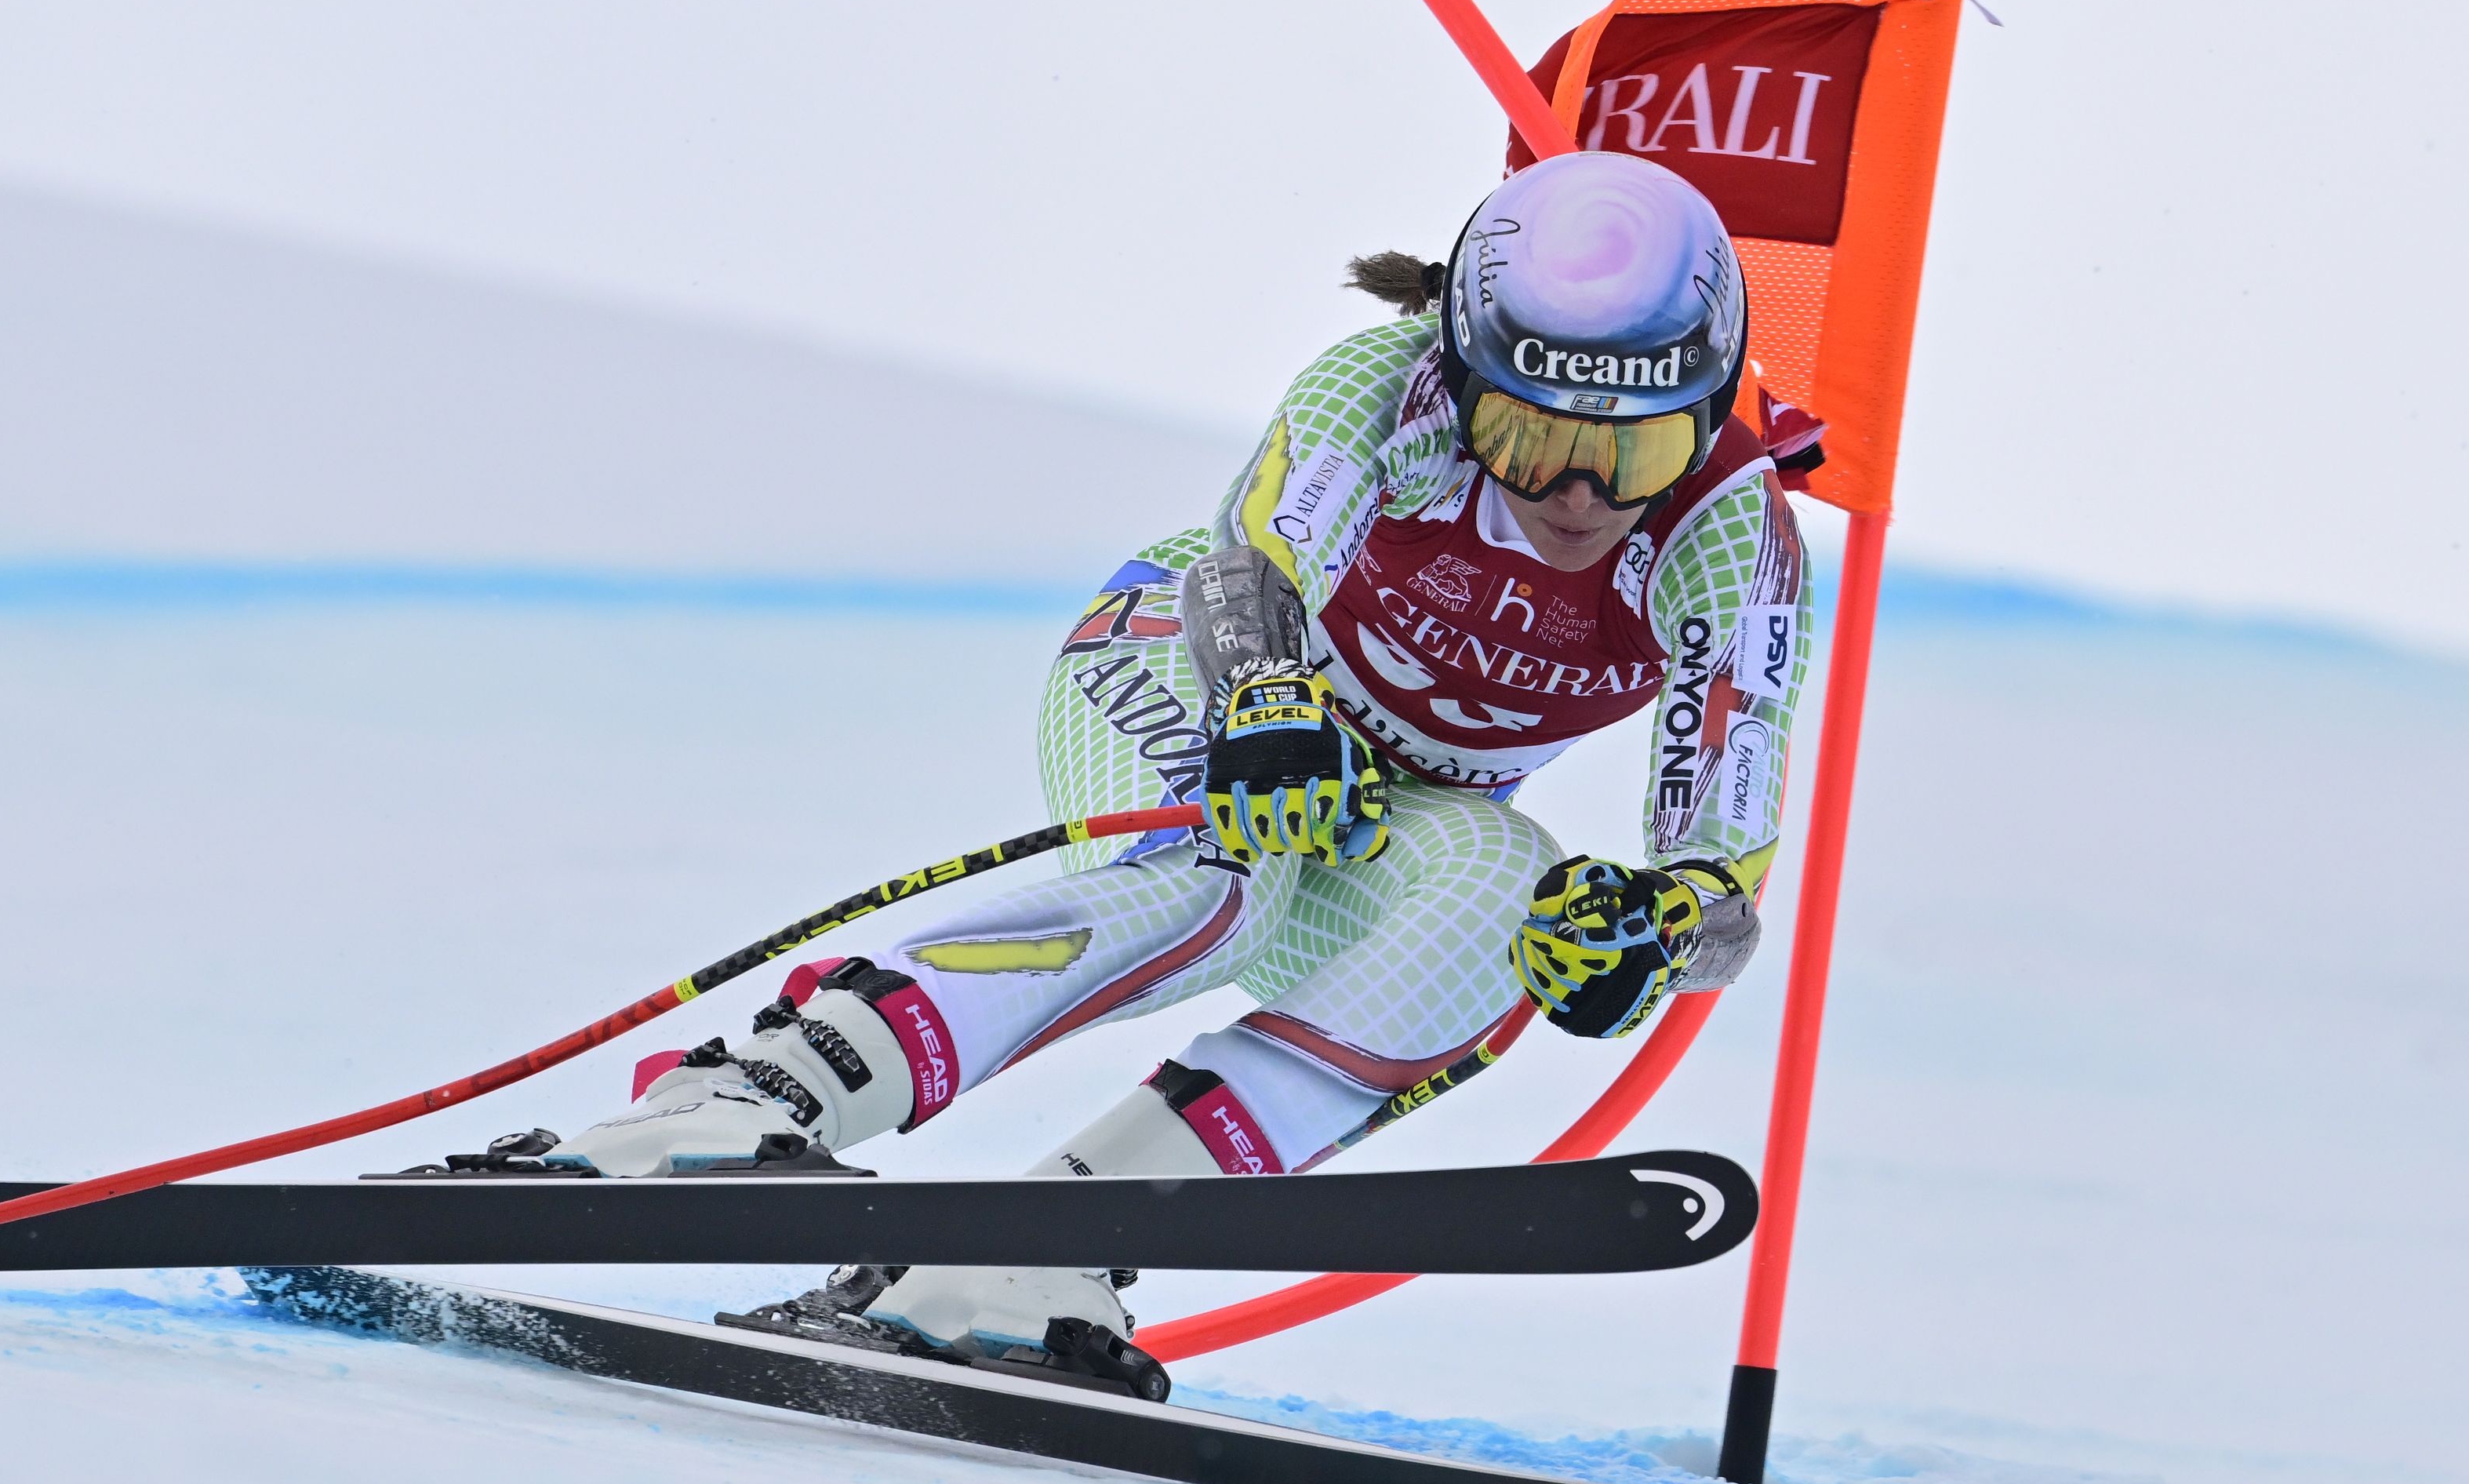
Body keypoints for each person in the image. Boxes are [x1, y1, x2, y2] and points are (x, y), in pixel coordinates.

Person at [527, 151, 1810, 1392]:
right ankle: (746, 1091)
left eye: (1634, 452)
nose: (1578, 493)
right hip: (1192, 669)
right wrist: (1266, 705)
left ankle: (1031, 1261)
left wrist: (1656, 934)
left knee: (1505, 910)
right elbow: (1246, 575)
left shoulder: (1733, 541)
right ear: (1460, 371)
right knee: (1217, 880)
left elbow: (1726, 890)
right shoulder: (1387, 388)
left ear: (1705, 418)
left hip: (1391, 808)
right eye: (1526, 439)